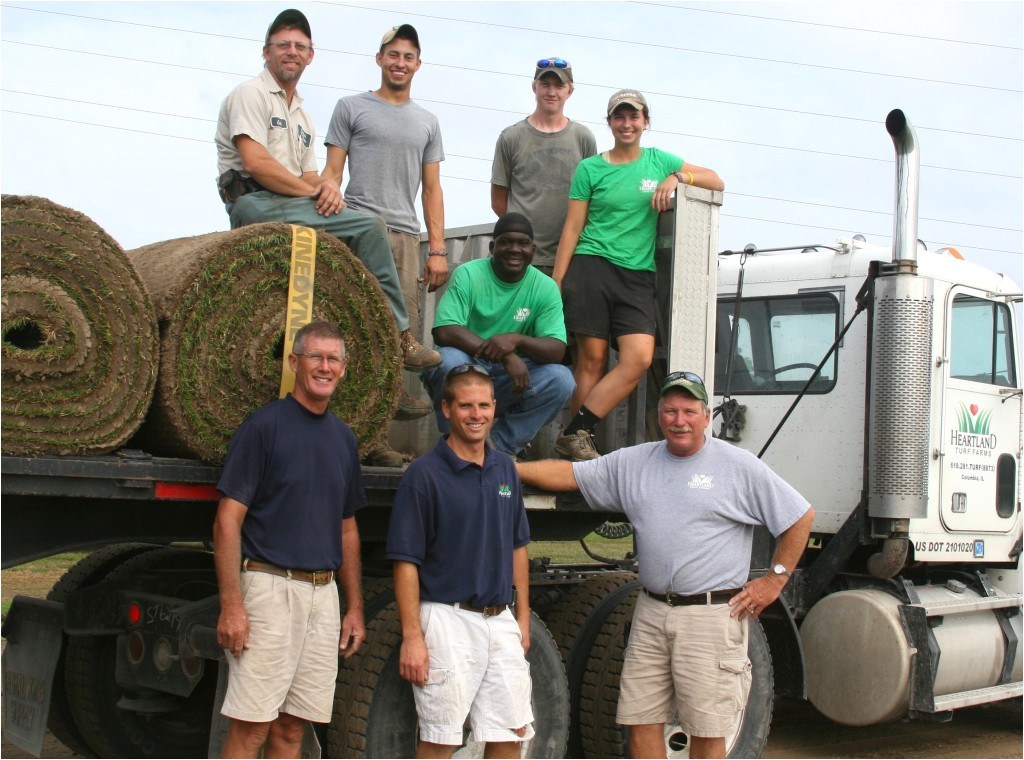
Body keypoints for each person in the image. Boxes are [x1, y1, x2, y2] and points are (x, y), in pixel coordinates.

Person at [517, 371, 814, 759]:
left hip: (711, 617)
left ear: (707, 417)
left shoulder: (738, 466)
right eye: (670, 411)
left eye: (689, 411)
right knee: (640, 722)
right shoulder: (638, 462)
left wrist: (775, 581)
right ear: (659, 417)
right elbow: (572, 474)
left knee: (707, 730)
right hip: (652, 612)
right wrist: (507, 468)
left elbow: (799, 517)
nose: (679, 420)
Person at [214, 9, 439, 375]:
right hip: (254, 202)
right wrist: (313, 192)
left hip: (288, 204)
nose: (292, 51)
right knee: (368, 227)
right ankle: (399, 334)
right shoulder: (250, 94)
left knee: (358, 223)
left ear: (310, 55)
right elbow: (256, 163)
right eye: (283, 44)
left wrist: (330, 188)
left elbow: (312, 174)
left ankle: (371, 346)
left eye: (300, 46)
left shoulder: (301, 113)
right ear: (266, 51)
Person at [213, 320, 367, 758]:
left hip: (323, 595)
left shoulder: (343, 438)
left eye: (333, 358)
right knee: (252, 728)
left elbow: (347, 529)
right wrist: (232, 605)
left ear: (344, 367)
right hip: (268, 588)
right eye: (315, 357)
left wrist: (353, 607)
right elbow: (227, 522)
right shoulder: (264, 427)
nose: (324, 366)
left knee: (292, 729)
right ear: (294, 362)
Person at [552, 89, 725, 461]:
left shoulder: (658, 160)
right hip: (591, 267)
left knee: (638, 359)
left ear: (645, 121)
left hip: (637, 275)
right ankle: (579, 446)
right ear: (610, 122)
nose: (626, 124)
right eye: (619, 117)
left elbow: (716, 180)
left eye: (634, 117)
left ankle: (573, 432)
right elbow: (572, 228)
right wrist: (556, 281)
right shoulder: (590, 168)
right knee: (592, 361)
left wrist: (679, 177)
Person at [387, 364, 534, 759]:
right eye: (466, 405)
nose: (476, 414)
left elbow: (518, 545)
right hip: (446, 620)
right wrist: (413, 636)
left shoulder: (506, 468)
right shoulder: (423, 475)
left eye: (484, 405)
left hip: (500, 619)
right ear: (446, 408)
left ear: (495, 408)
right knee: (441, 739)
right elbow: (406, 562)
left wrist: (521, 618)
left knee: (510, 733)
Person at [322, 23, 447, 466]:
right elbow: (331, 173)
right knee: (352, 329)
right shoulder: (350, 107)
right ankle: (347, 439)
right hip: (356, 229)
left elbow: (432, 189)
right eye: (393, 54)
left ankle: (380, 445)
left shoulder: (427, 122)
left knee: (399, 339)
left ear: (418, 64)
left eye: (408, 56)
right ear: (379, 59)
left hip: (404, 237)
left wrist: (436, 249)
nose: (400, 62)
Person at [424, 213, 575, 458]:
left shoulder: (545, 287)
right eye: (506, 242)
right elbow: (444, 330)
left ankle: (499, 448)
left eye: (522, 243)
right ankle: (456, 445)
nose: (514, 249)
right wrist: (506, 356)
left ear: (533, 250)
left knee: (562, 379)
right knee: (448, 361)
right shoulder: (469, 274)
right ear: (493, 247)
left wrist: (517, 340)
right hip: (468, 368)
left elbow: (556, 350)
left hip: (511, 381)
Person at [491, 57, 596, 274]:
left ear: (570, 91)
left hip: (569, 259)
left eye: (559, 85)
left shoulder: (583, 138)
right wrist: (521, 242)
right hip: (521, 261)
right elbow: (498, 201)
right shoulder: (511, 137)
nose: (552, 92)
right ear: (534, 87)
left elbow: (591, 201)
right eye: (545, 84)